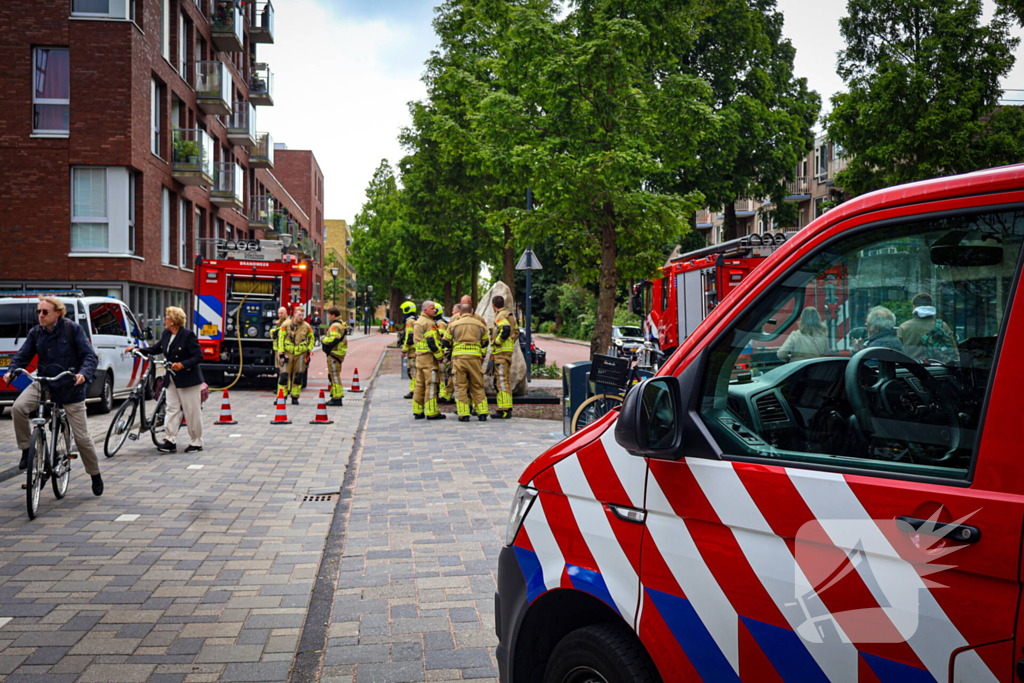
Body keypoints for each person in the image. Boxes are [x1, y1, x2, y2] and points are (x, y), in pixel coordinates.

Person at [3, 296, 104, 495]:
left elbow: (89, 356)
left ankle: (94, 473)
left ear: (58, 313)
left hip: (70, 386)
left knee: (82, 438)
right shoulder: (36, 332)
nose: (40, 315)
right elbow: (22, 355)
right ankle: (27, 450)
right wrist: (12, 370)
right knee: (18, 408)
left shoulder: (72, 329)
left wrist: (83, 374)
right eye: (38, 312)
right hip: (45, 382)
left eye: (45, 312)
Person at [128, 306, 205, 453]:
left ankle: (196, 441)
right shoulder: (166, 334)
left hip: (188, 379)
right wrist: (137, 350)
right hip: (172, 378)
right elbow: (156, 349)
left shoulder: (188, 335)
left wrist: (182, 364)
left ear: (174, 321)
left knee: (191, 411)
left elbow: (198, 356)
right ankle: (170, 440)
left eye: (167, 318)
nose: (165, 320)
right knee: (171, 408)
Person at [444, 303, 490, 422]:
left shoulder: (453, 324)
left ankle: (463, 414)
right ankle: (482, 413)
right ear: (472, 312)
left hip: (459, 359)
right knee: (477, 386)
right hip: (475, 359)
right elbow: (485, 342)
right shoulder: (480, 324)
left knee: (461, 386)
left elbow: (445, 342)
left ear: (460, 312)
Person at [898, 292, 959, 363]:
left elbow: (898, 352)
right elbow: (954, 351)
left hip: (911, 367)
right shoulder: (942, 325)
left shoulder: (904, 327)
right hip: (938, 367)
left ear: (914, 307)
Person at [412, 300, 445, 420]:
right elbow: (431, 342)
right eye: (432, 308)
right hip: (429, 359)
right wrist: (440, 356)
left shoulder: (418, 321)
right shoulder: (428, 322)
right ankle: (432, 412)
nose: (435, 310)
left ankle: (418, 411)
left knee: (419, 385)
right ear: (425, 310)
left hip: (419, 358)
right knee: (431, 385)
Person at [278, 307, 314, 405]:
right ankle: (281, 397)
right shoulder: (285, 325)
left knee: (298, 376)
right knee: (284, 376)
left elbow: (312, 338)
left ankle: (295, 397)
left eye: (302, 315)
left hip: (300, 355)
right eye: (299, 315)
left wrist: (308, 349)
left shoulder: (306, 326)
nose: (301, 317)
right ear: (294, 314)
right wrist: (281, 353)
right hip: (287, 354)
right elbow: (280, 339)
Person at [490, 295, 518, 419]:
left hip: (501, 353)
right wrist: (510, 343)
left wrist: (497, 341)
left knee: (501, 380)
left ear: (493, 305)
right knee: (505, 380)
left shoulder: (500, 316)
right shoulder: (510, 315)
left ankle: (504, 409)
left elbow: (505, 329)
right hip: (507, 352)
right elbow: (516, 332)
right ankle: (507, 407)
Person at [321, 306, 348, 407]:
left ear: (333, 315)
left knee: (334, 376)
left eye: (328, 315)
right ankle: (335, 395)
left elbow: (334, 339)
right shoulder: (340, 324)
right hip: (337, 354)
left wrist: (323, 340)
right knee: (332, 375)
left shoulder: (335, 326)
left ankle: (337, 398)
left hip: (334, 354)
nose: (327, 317)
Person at [400, 301, 418, 399]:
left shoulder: (410, 321)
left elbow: (410, 337)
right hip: (414, 351)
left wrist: (404, 350)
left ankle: (414, 391)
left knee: (413, 372)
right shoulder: (414, 320)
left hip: (412, 352)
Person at [270, 306, 289, 386]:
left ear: (286, 313)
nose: (280, 315)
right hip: (277, 348)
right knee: (278, 368)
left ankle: (284, 386)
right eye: (278, 313)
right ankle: (279, 386)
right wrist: (273, 332)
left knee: (283, 369)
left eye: (281, 313)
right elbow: (272, 333)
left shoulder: (288, 323)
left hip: (284, 349)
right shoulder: (278, 323)